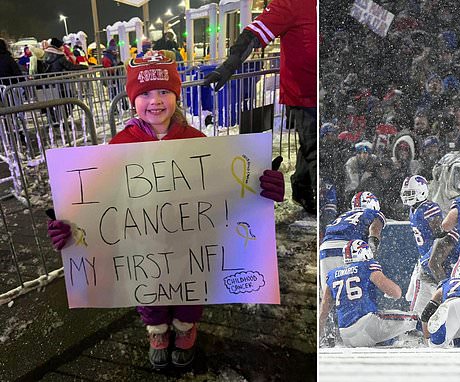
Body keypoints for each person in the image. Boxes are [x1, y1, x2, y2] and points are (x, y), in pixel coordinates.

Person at [46, 52, 285, 369]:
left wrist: (261, 188)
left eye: (163, 91)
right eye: (144, 93)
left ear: (176, 95)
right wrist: (71, 225)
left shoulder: (197, 140)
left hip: (191, 241)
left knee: (191, 284)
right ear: (133, 100)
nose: (154, 101)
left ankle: (186, 328)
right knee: (149, 287)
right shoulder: (119, 145)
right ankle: (157, 332)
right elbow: (97, 195)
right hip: (142, 240)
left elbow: (224, 187)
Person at [203, 0, 317, 214]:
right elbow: (254, 34)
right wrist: (230, 64)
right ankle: (320, 201)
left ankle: (302, 187)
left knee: (313, 145)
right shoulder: (293, 3)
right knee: (315, 147)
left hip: (327, 90)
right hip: (304, 95)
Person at [319, 239, 420, 348]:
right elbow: (396, 293)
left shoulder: (332, 274)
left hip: (346, 335)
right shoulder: (367, 267)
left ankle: (389, 343)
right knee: (416, 318)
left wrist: (319, 336)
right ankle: (432, 342)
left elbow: (323, 311)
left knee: (389, 333)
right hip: (367, 325)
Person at [319, 191, 385, 293]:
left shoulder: (343, 215)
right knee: (353, 292)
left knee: (329, 292)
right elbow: (374, 229)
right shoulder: (373, 213)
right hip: (349, 248)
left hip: (325, 248)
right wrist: (372, 247)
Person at [400, 175, 445, 315]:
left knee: (437, 296)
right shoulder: (414, 209)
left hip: (434, 258)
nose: (407, 197)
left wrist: (430, 257)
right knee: (414, 297)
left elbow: (440, 234)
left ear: (422, 191)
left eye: (411, 193)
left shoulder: (428, 207)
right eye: (405, 193)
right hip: (426, 258)